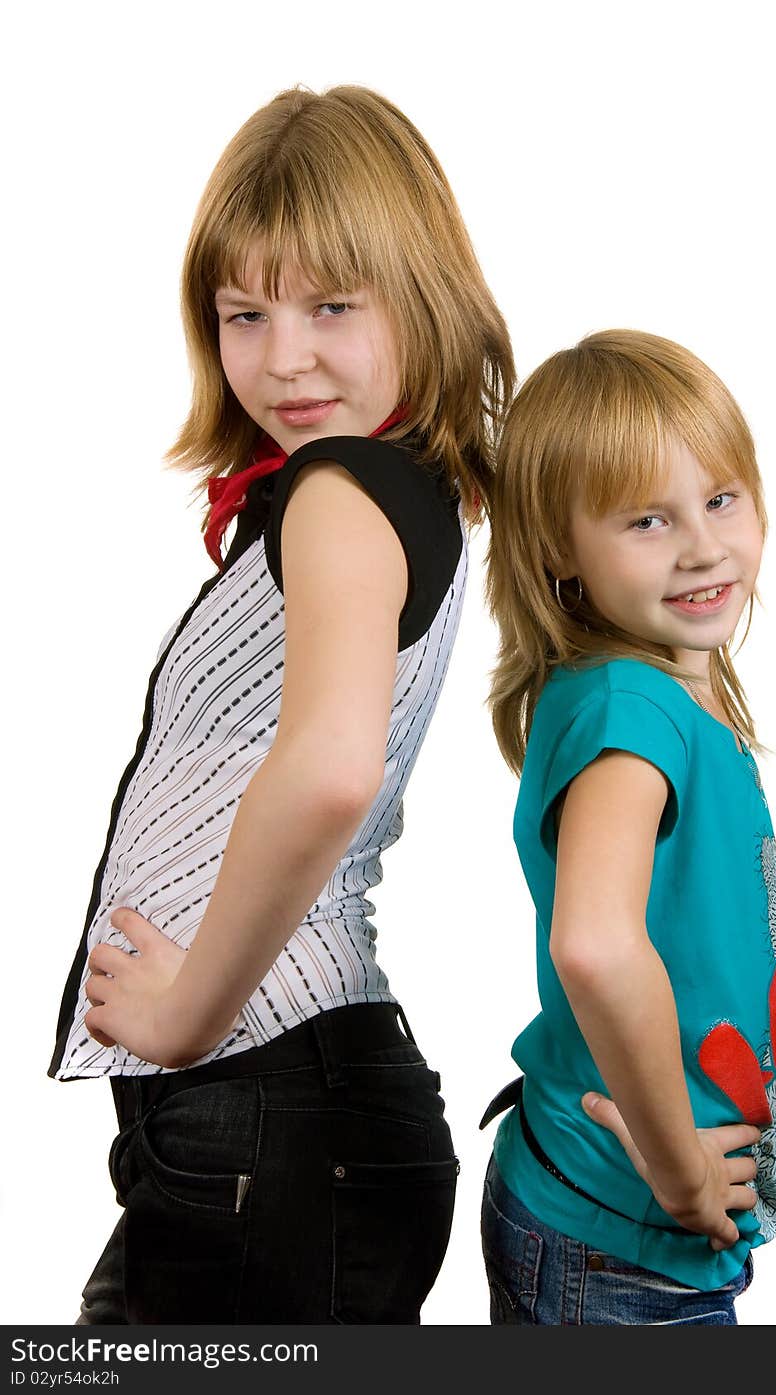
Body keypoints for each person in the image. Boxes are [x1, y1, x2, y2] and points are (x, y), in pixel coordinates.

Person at [49, 84, 514, 1324]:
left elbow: (327, 770)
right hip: (272, 1116)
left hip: (267, 1092)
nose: (283, 355)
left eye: (331, 307)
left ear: (422, 296)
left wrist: (192, 1010)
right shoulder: (367, 491)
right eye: (243, 314)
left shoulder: (344, 496)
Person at [479, 330, 776, 1325]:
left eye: (720, 498)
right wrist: (680, 1174)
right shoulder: (632, 714)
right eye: (647, 520)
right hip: (620, 1247)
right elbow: (594, 942)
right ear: (557, 554)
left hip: (611, 1240)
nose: (701, 546)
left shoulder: (647, 695)